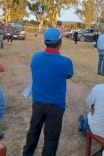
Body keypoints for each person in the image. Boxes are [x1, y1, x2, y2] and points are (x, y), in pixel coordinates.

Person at [23, 28, 74, 156]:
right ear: (60, 42)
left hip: (38, 103)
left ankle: (27, 153)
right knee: (51, 138)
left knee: (33, 131)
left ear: (45, 41)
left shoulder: (36, 57)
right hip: (56, 106)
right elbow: (69, 75)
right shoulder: (66, 62)